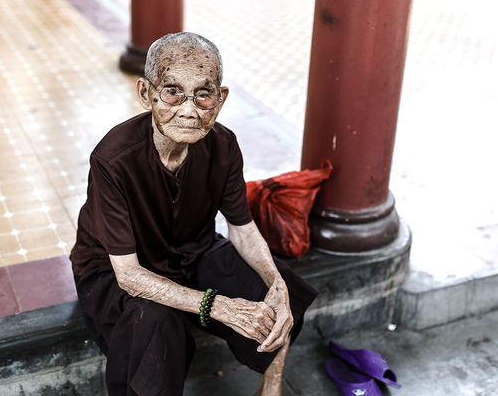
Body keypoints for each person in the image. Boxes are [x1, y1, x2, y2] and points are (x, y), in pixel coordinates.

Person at [70, 32, 318, 396]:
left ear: (220, 99)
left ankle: (272, 385)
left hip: (193, 250)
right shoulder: (112, 159)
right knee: (154, 322)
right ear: (145, 94)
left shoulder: (224, 144)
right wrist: (217, 306)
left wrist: (275, 284)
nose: (188, 110)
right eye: (172, 91)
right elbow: (129, 275)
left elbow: (243, 229)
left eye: (203, 94)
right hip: (115, 269)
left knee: (277, 285)